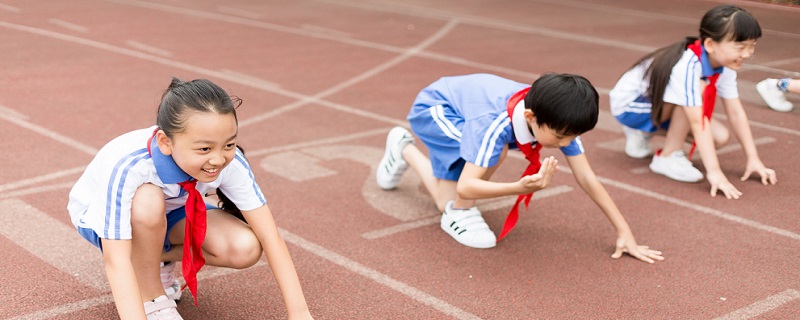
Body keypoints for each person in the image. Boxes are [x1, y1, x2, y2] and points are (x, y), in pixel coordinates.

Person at [67, 78, 313, 320]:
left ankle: (152, 261)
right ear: (166, 143)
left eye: (228, 144)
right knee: (148, 199)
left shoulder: (232, 162)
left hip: (175, 211)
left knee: (245, 248)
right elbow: (116, 260)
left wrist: (300, 314)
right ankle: (153, 297)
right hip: (105, 218)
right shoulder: (130, 166)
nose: (218, 159)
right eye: (205, 149)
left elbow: (271, 237)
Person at [375, 72, 664, 264]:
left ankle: (402, 147)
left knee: (444, 197)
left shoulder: (557, 118)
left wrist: (623, 230)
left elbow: (586, 176)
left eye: (573, 137)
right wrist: (519, 187)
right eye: (562, 137)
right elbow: (467, 186)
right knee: (483, 165)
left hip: (465, 110)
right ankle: (460, 212)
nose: (568, 143)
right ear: (531, 117)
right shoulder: (494, 125)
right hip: (436, 110)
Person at [609, 4, 777, 199]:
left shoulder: (726, 65)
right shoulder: (688, 67)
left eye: (752, 46)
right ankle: (666, 156)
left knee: (719, 138)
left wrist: (753, 158)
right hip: (629, 106)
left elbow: (735, 112)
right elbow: (697, 121)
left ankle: (643, 132)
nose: (747, 54)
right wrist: (714, 171)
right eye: (740, 47)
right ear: (711, 45)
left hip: (657, 105)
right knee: (696, 93)